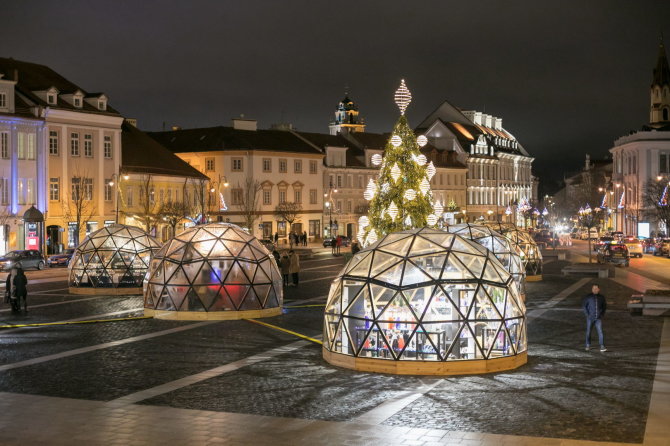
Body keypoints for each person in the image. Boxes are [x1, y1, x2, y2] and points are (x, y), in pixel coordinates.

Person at [582, 283, 607, 352]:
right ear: (592, 289)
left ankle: (602, 346)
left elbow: (604, 306)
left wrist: (602, 314)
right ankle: (587, 345)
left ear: (599, 289)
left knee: (600, 332)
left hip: (598, 318)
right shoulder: (588, 297)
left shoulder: (601, 297)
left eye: (596, 288)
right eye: (593, 288)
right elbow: (584, 306)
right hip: (590, 318)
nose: (594, 290)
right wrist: (587, 315)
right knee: (588, 331)